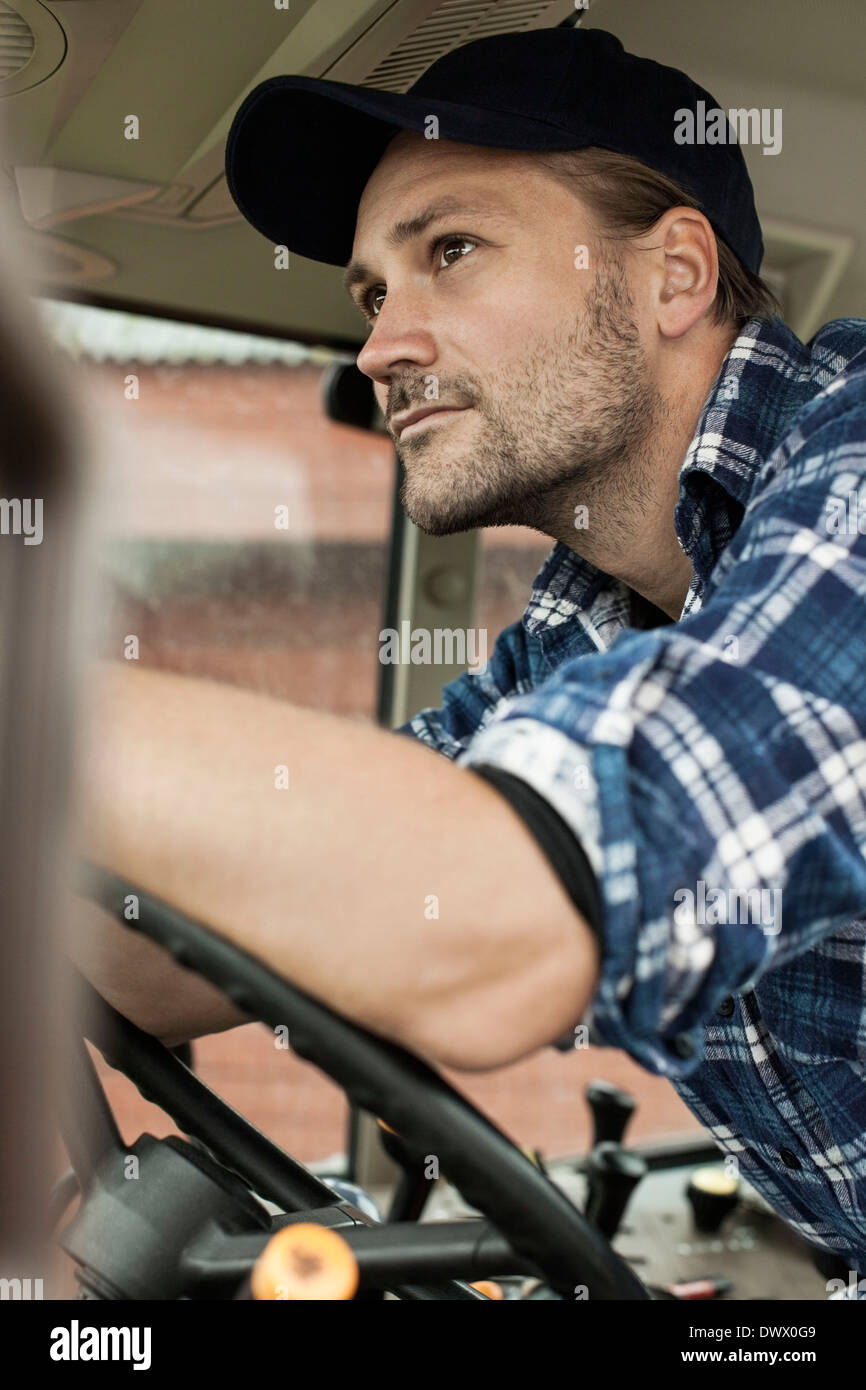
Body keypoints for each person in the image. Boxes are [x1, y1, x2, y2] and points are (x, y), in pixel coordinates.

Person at [72, 26, 866, 1285]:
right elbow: (219, 932)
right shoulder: (571, 632)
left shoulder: (854, 475)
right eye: (374, 292)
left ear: (672, 276)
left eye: (450, 251)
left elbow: (504, 917)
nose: (379, 346)